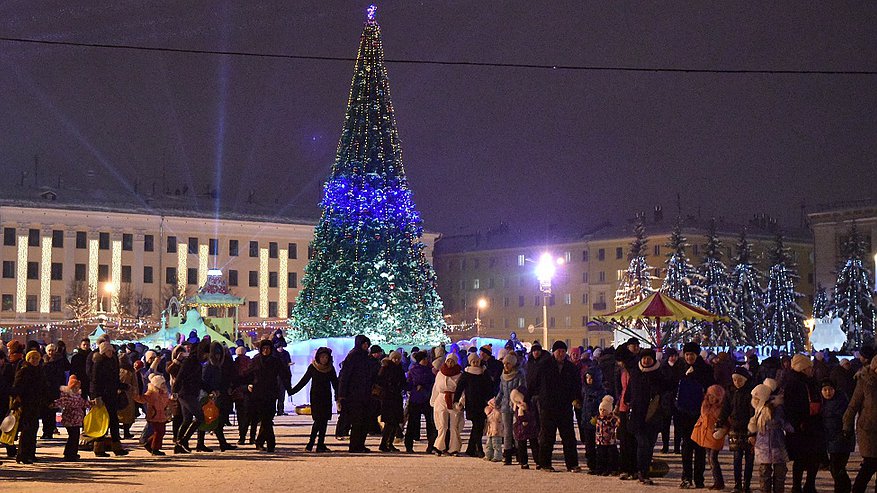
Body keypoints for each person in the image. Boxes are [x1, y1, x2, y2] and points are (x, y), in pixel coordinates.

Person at [531, 340, 582, 473]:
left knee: (569, 437)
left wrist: (577, 398)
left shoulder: (571, 368)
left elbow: (576, 385)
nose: (561, 354)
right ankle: (545, 463)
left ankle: (572, 464)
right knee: (547, 436)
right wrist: (534, 398)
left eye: (563, 351)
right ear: (554, 352)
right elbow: (534, 383)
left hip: (565, 406)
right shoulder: (544, 365)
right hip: (548, 406)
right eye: (559, 351)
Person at [626, 347, 670, 484]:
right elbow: (629, 390)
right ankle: (641, 471)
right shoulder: (635, 372)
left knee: (649, 445)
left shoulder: (659, 374)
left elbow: (666, 391)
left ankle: (645, 471)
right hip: (638, 416)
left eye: (648, 358)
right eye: (644, 358)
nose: (646, 360)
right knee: (642, 444)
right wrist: (627, 401)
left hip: (653, 416)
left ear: (653, 360)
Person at [678, 341, 715, 489]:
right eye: (686, 354)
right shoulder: (682, 368)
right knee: (686, 447)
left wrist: (695, 376)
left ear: (696, 355)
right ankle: (686, 477)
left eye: (691, 354)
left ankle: (699, 478)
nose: (689, 357)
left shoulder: (705, 370)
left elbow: (710, 387)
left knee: (699, 447)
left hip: (700, 413)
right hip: (684, 413)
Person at [784, 354, 822, 493]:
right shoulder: (794, 383)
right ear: (803, 368)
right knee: (800, 459)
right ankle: (797, 486)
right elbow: (789, 406)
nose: (811, 370)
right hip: (801, 427)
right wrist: (797, 422)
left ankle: (809, 485)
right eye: (809, 367)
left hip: (813, 425)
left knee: (814, 458)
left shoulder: (810, 381)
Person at [248, 340, 293, 453]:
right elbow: (248, 374)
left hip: (271, 393)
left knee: (267, 419)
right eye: (264, 349)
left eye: (268, 348)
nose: (266, 350)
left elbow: (284, 375)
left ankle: (260, 442)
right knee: (265, 419)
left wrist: (289, 388)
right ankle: (270, 443)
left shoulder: (275, 361)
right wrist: (243, 385)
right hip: (258, 393)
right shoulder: (256, 360)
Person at [290, 346, 338, 452]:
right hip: (316, 397)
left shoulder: (330, 368)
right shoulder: (313, 367)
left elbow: (335, 383)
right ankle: (310, 444)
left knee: (324, 421)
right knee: (318, 421)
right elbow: (304, 381)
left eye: (326, 357)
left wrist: (339, 396)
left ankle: (321, 444)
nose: (324, 359)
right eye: (322, 357)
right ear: (318, 357)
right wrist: (292, 391)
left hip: (326, 396)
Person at [717, 367, 756, 493]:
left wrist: (752, 430)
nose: (737, 383)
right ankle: (737, 484)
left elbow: (752, 411)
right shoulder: (730, 392)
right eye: (734, 380)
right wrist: (720, 421)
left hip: (748, 428)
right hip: (735, 427)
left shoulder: (750, 392)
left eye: (739, 380)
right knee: (737, 457)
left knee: (749, 458)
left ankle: (747, 484)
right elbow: (726, 408)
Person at [843, 354, 877, 493]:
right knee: (870, 464)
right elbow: (853, 405)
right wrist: (847, 425)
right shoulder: (864, 382)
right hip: (869, 430)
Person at [749, 383, 791, 493]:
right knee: (765, 473)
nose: (754, 400)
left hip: (775, 443)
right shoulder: (759, 409)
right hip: (765, 445)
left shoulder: (776, 408)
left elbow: (781, 422)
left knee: (778, 473)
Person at [338, 335, 377, 453]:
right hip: (354, 395)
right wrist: (341, 395)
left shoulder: (366, 357)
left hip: (365, 393)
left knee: (365, 420)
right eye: (363, 343)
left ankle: (360, 444)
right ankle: (355, 445)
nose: (365, 346)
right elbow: (345, 376)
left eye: (367, 344)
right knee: (357, 421)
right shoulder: (353, 356)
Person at [90, 342, 128, 457]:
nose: (110, 353)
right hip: (102, 396)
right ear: (103, 352)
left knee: (114, 421)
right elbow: (95, 381)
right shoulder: (98, 363)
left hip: (111, 395)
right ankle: (98, 448)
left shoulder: (113, 361)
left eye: (111, 351)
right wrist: (96, 396)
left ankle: (117, 446)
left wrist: (122, 386)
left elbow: (114, 379)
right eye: (108, 351)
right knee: (103, 422)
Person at [454, 352, 493, 457]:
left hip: (482, 404)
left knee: (479, 426)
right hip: (471, 404)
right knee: (477, 426)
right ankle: (479, 448)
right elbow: (459, 388)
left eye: (477, 361)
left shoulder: (483, 373)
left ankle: (471, 449)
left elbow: (489, 387)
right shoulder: (466, 374)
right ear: (470, 362)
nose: (475, 363)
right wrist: (456, 401)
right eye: (473, 362)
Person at [12, 350, 48, 464]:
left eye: (37, 358)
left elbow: (43, 387)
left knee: (34, 429)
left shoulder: (39, 371)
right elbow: (17, 387)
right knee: (26, 430)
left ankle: (31, 454)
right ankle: (22, 455)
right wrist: (18, 400)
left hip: (36, 403)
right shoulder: (24, 370)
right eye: (33, 358)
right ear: (28, 359)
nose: (35, 361)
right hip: (26, 403)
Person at [821, 379, 854, 493]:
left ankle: (843, 488)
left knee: (836, 467)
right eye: (825, 390)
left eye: (830, 389)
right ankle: (842, 488)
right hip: (831, 439)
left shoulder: (841, 401)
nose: (827, 392)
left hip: (841, 438)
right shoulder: (824, 402)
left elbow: (846, 419)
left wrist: (845, 433)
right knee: (837, 468)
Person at [693, 384, 727, 490]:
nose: (711, 398)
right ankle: (717, 481)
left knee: (713, 458)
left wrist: (722, 430)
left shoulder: (721, 408)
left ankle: (719, 481)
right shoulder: (705, 406)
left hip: (715, 436)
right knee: (710, 458)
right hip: (705, 435)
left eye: (714, 396)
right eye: (710, 396)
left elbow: (726, 422)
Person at [431, 352, 462, 456]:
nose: (450, 363)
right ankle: (439, 446)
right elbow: (436, 387)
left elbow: (462, 390)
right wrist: (433, 400)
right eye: (448, 361)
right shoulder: (441, 373)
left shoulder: (459, 374)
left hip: (454, 399)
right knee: (442, 425)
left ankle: (454, 448)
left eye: (452, 361)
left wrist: (461, 401)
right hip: (441, 399)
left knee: (454, 426)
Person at [133, 374, 172, 455]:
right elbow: (142, 399)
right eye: (162, 384)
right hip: (154, 416)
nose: (164, 385)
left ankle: (149, 444)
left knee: (161, 432)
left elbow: (167, 402)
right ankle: (154, 448)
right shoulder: (151, 393)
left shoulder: (164, 393)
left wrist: (172, 401)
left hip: (162, 416)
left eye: (164, 383)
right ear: (157, 385)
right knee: (158, 432)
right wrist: (135, 396)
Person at [496, 352, 524, 465]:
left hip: (516, 405)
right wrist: (496, 402)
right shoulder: (503, 376)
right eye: (504, 364)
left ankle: (519, 453)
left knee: (517, 431)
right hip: (505, 406)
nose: (506, 366)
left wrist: (520, 401)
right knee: (507, 431)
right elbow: (501, 391)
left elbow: (522, 389)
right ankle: (507, 454)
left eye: (508, 363)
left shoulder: (519, 375)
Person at [53, 374, 89, 461]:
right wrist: (53, 404)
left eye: (77, 388)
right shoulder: (67, 396)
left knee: (75, 437)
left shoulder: (78, 396)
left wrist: (90, 403)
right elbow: (60, 402)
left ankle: (72, 453)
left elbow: (83, 403)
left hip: (76, 420)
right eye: (74, 388)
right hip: (70, 419)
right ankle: (70, 454)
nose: (76, 389)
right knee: (73, 437)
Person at [375, 350, 405, 452]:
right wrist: (389, 386)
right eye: (394, 358)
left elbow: (403, 382)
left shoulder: (399, 368)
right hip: (388, 398)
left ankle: (389, 443)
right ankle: (384, 443)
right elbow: (380, 381)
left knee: (395, 422)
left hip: (396, 397)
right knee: (389, 422)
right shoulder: (386, 368)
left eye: (398, 358)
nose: (396, 360)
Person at [41, 343, 68, 439]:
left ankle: (50, 431)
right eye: (49, 351)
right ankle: (45, 431)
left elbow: (61, 375)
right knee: (44, 412)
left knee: (52, 411)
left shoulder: (59, 361)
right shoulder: (43, 360)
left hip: (54, 389)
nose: (51, 352)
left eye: (52, 350)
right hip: (44, 390)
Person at [661, 348, 685, 454]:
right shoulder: (663, 367)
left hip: (678, 398)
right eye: (671, 356)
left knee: (678, 424)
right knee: (665, 424)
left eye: (675, 355)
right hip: (666, 399)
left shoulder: (681, 366)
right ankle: (665, 446)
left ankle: (676, 447)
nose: (673, 358)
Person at [581, 369, 605, 472]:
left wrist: (597, 416)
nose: (589, 380)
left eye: (591, 378)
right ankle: (591, 464)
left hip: (597, 422)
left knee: (599, 445)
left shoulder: (600, 391)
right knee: (589, 445)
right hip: (586, 421)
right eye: (587, 378)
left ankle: (600, 465)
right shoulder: (585, 390)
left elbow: (603, 407)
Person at [232, 346, 256, 445]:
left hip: (238, 393)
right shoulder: (250, 363)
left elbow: (233, 380)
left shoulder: (234, 365)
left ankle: (242, 437)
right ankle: (252, 437)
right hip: (250, 392)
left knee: (241, 416)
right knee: (251, 416)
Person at [510, 388, 539, 469]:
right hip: (520, 429)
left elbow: (532, 416)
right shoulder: (516, 406)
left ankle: (538, 461)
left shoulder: (529, 405)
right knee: (522, 446)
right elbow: (517, 417)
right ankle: (524, 462)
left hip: (529, 428)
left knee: (534, 445)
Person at [594, 395, 620, 476]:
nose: (602, 411)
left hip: (609, 441)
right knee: (600, 456)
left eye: (604, 410)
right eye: (601, 410)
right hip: (600, 441)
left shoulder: (611, 419)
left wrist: (617, 421)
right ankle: (600, 469)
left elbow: (617, 423)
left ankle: (611, 469)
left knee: (610, 456)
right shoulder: (598, 418)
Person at [484, 397, 503, 462]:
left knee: (496, 445)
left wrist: (496, 409)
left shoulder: (498, 412)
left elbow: (498, 417)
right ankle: (488, 455)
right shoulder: (489, 412)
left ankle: (498, 456)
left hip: (497, 431)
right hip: (490, 431)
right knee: (489, 444)